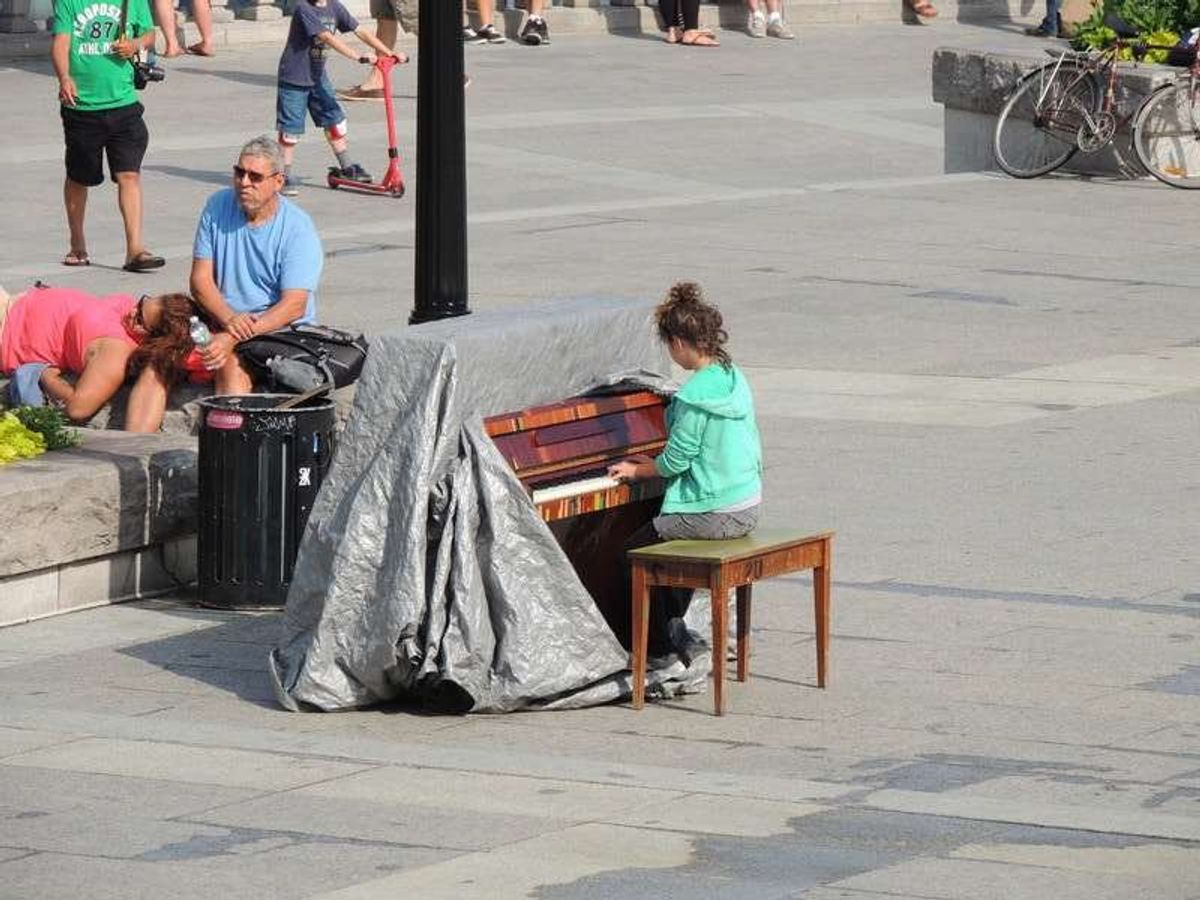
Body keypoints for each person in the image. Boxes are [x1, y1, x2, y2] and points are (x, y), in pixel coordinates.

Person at [608, 281, 763, 654]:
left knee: (630, 553)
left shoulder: (695, 397)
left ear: (678, 343)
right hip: (746, 503)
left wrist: (636, 471)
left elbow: (676, 462)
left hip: (715, 512)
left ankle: (658, 647)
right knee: (663, 545)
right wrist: (655, 462)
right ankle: (672, 631)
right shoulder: (730, 376)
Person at [189, 136, 323, 396]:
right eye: (239, 173)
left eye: (255, 177)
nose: (244, 183)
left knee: (230, 366)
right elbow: (200, 280)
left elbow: (295, 305)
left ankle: (234, 432)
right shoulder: (216, 206)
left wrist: (234, 335)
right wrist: (229, 320)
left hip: (281, 331)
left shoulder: (298, 227)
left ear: (278, 182)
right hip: (228, 319)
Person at [51, 0, 166, 272]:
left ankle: (135, 249)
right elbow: (61, 42)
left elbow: (150, 34)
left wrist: (135, 44)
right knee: (80, 177)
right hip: (82, 105)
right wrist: (64, 76)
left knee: (129, 175)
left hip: (124, 102)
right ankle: (77, 244)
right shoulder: (69, 2)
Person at [0, 285, 199, 432]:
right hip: (17, 303)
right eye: (141, 303)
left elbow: (78, 408)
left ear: (153, 338)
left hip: (7, 332)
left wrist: (47, 377)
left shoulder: (115, 354)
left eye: (139, 320)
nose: (132, 312)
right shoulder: (127, 318)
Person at [275, 0, 406, 193]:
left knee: (334, 121)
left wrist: (390, 53)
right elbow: (327, 37)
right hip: (294, 77)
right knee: (290, 131)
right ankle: (282, 175)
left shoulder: (335, 7)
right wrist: (357, 56)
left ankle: (347, 166)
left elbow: (360, 31)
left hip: (318, 77)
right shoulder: (303, 8)